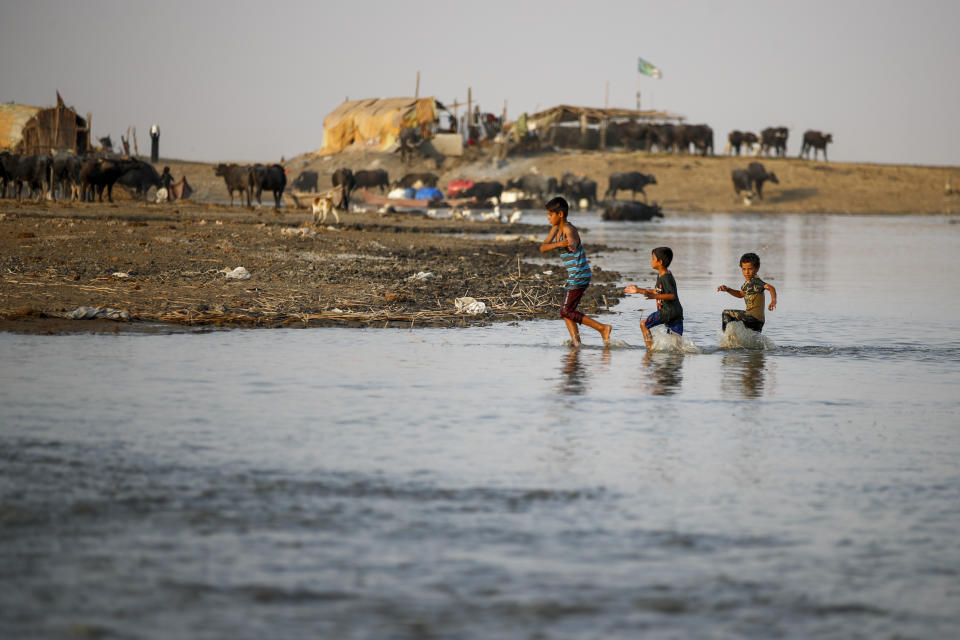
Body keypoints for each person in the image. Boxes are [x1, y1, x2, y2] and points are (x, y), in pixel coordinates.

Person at [540, 197, 612, 347]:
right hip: (575, 275)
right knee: (567, 311)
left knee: (565, 310)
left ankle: (602, 328)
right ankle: (576, 343)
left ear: (560, 214)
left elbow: (572, 239)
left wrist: (571, 244)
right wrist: (560, 243)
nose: (548, 218)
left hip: (579, 275)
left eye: (550, 215)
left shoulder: (568, 228)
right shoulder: (555, 229)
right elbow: (543, 247)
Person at [624, 247, 683, 349]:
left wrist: (654, 296)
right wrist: (638, 290)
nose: (651, 261)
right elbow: (658, 291)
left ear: (660, 262)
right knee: (676, 344)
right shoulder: (664, 274)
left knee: (644, 324)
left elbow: (671, 295)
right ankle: (677, 361)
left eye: (652, 258)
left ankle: (649, 350)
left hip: (667, 311)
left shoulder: (665, 277)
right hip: (676, 311)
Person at [717, 252, 777, 332]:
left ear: (757, 268)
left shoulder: (756, 281)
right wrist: (728, 289)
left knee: (726, 313)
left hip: (753, 318)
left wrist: (773, 301)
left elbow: (770, 287)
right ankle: (735, 341)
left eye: (750, 269)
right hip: (757, 321)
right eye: (744, 269)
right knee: (750, 342)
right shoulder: (747, 284)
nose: (747, 272)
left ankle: (726, 340)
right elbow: (740, 294)